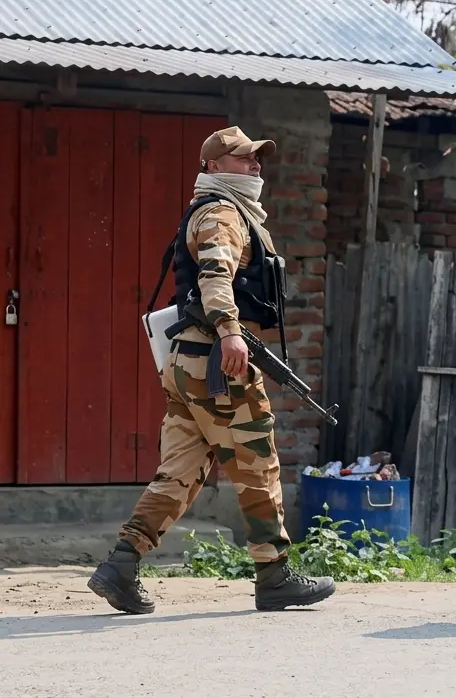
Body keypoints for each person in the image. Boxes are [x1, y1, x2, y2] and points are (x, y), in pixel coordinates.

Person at [87, 126, 336, 615]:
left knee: (178, 472)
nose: (255, 166)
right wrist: (229, 332)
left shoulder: (220, 210)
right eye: (244, 159)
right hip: (215, 360)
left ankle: (121, 564)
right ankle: (274, 573)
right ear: (214, 167)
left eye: (257, 159)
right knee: (256, 460)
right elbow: (215, 277)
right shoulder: (222, 213)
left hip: (189, 361)